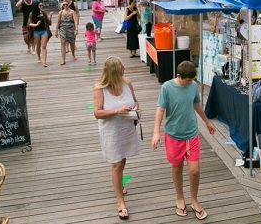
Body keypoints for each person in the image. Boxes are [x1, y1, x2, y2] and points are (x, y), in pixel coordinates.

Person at [151, 61, 216, 220]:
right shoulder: (167, 87)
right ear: (178, 76)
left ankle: (194, 199)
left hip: (192, 134)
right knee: (177, 167)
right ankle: (180, 198)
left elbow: (196, 104)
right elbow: (160, 109)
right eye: (188, 80)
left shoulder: (193, 86)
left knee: (194, 170)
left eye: (192, 80)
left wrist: (207, 122)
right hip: (173, 135)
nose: (191, 83)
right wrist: (156, 133)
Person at [93, 56, 141, 220]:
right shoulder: (100, 89)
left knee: (123, 158)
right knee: (116, 163)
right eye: (121, 67)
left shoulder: (127, 83)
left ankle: (119, 184)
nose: (124, 68)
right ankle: (120, 202)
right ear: (114, 72)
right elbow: (97, 113)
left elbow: (135, 102)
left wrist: (135, 107)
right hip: (111, 131)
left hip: (126, 128)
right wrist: (117, 111)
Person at [29, 2, 52, 67]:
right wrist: (36, 24)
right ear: (37, 6)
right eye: (40, 5)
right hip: (36, 31)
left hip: (44, 31)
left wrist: (50, 16)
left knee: (44, 46)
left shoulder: (44, 12)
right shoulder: (32, 14)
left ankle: (44, 62)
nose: (42, 6)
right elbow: (29, 24)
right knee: (38, 46)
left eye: (42, 5)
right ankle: (39, 57)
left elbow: (49, 22)